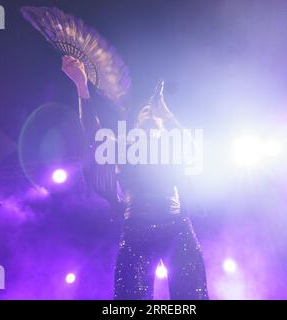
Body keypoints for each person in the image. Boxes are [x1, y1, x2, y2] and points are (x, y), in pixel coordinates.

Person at [61, 55, 208, 300]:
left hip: (178, 228)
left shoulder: (173, 147)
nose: (150, 113)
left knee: (192, 297)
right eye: (144, 112)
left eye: (155, 112)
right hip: (137, 231)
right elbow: (92, 133)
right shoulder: (121, 147)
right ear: (136, 125)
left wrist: (167, 112)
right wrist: (81, 85)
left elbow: (193, 151)